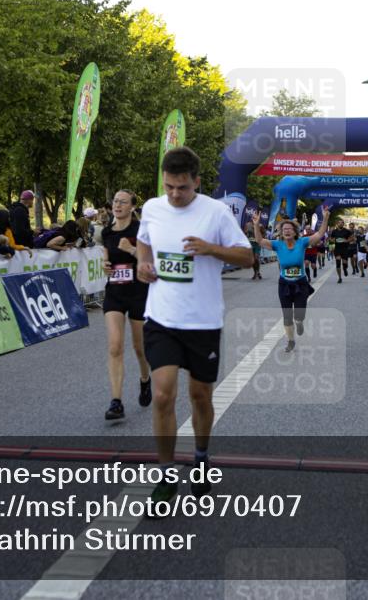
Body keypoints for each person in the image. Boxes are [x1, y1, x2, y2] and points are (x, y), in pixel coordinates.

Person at [136, 146, 253, 511]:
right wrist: (142, 262)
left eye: (182, 188)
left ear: (196, 183)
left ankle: (201, 458)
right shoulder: (153, 209)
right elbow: (144, 242)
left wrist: (211, 249)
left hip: (202, 322)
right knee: (163, 395)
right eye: (169, 186)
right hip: (161, 318)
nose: (174, 194)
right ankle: (167, 476)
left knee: (200, 396)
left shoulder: (215, 212)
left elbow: (247, 255)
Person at [101, 190, 152, 421]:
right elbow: (106, 258)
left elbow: (149, 262)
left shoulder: (140, 231)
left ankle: (144, 379)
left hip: (138, 293)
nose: (118, 205)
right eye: (115, 202)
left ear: (132, 207)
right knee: (114, 347)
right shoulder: (106, 232)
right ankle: (116, 401)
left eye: (123, 202)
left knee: (139, 348)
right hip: (114, 292)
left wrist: (131, 249)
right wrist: (106, 265)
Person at [251, 207, 329, 353]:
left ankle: (299, 322)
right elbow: (259, 240)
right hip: (284, 284)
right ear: (281, 232)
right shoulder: (277, 244)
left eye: (290, 229)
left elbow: (320, 234)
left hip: (300, 283)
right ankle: (291, 340)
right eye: (284, 229)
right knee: (287, 315)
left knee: (298, 315)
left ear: (295, 232)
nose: (287, 231)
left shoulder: (302, 242)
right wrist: (256, 224)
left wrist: (325, 218)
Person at [330, 219, 355, 283]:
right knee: (338, 263)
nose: (340, 224)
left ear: (343, 224)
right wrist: (332, 244)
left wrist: (347, 240)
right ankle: (340, 277)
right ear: (337, 224)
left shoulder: (347, 231)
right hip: (337, 249)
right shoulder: (334, 231)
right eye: (339, 223)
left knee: (345, 263)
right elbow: (331, 239)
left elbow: (352, 238)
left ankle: (345, 268)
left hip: (345, 249)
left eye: (342, 223)